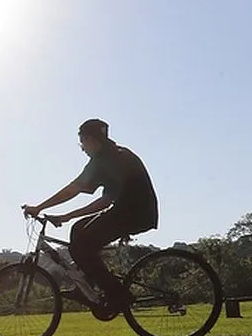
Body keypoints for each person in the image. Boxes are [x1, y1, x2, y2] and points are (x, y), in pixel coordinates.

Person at [22, 119, 157, 316]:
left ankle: (118, 294)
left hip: (133, 213)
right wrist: (68, 216)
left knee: (79, 247)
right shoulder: (115, 155)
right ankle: (85, 285)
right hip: (133, 211)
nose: (82, 149)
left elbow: (73, 189)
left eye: (82, 143)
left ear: (90, 139)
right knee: (78, 230)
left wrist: (39, 207)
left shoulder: (104, 161)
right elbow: (105, 201)